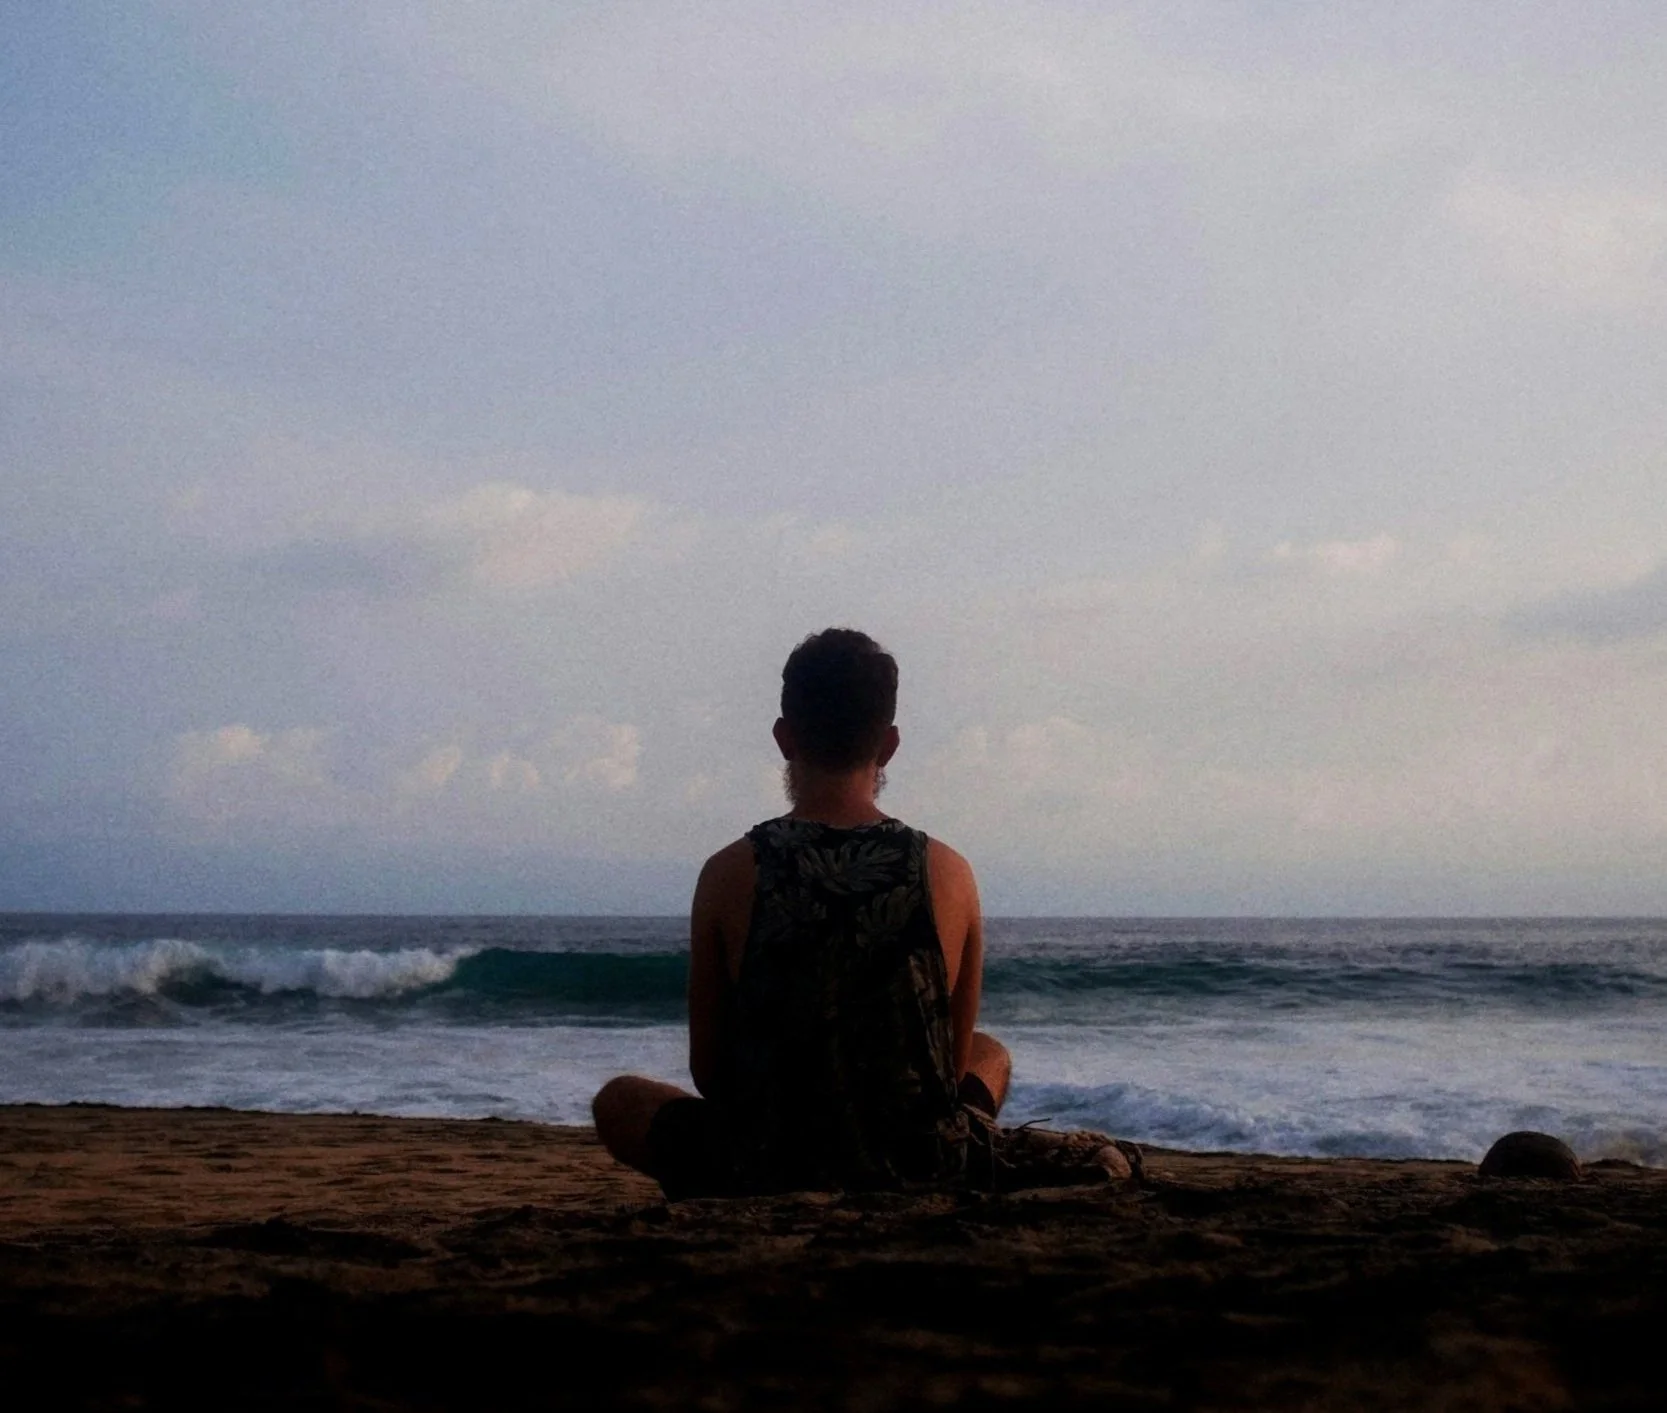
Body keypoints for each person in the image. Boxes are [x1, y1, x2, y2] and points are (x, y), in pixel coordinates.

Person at [591, 627, 1013, 1196]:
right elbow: (950, 1068)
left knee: (620, 1101)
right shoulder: (950, 871)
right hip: (920, 1163)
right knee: (990, 1056)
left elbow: (710, 1073)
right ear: (888, 745)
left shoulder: (729, 871)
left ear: (784, 738)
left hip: (765, 1164)